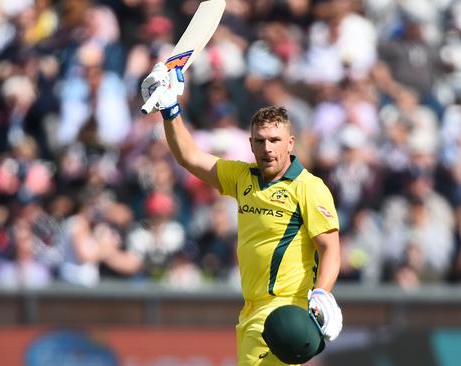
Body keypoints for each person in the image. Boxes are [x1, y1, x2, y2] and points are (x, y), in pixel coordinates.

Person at [141, 63, 343, 365]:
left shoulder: (309, 188)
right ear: (250, 144)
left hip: (285, 312)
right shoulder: (242, 177)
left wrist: (322, 294)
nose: (267, 149)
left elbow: (331, 248)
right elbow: (189, 157)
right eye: (260, 141)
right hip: (250, 311)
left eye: (275, 141)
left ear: (290, 143)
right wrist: (170, 109)